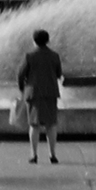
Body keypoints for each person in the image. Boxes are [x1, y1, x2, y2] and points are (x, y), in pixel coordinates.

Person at [17, 28, 63, 165]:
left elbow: (20, 74)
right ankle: (52, 155)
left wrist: (22, 88)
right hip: (50, 93)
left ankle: (33, 155)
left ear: (34, 41)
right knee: (51, 124)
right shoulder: (55, 56)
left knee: (34, 125)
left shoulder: (29, 56)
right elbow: (59, 73)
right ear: (47, 40)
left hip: (34, 93)